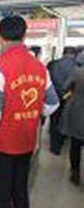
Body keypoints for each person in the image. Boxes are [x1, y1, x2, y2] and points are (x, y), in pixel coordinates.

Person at [0, 16, 59, 208]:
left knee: (1, 196)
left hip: (2, 145)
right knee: (20, 190)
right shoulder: (40, 67)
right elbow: (53, 103)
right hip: (27, 142)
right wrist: (35, 113)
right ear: (24, 36)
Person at [47, 46, 79, 155]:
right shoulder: (77, 67)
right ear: (74, 55)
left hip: (55, 97)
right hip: (71, 99)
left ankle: (54, 147)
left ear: (63, 53)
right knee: (66, 122)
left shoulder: (53, 64)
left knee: (54, 121)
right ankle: (64, 142)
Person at [60, 52, 84, 185]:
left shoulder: (78, 72)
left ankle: (75, 173)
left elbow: (65, 87)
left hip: (78, 113)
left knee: (75, 145)